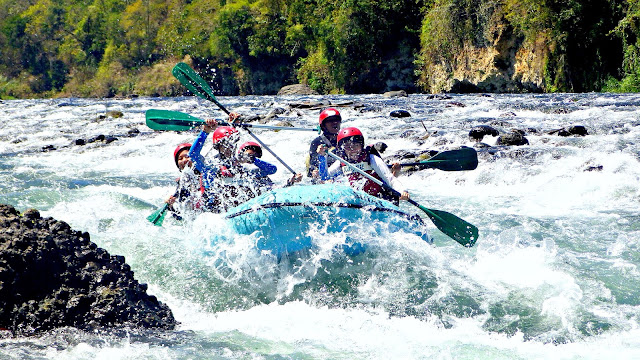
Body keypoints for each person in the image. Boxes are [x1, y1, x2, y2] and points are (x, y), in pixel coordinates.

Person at [188, 117, 279, 212]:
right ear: (218, 146)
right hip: (216, 211)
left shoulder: (241, 167)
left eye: (232, 143)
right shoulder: (211, 167)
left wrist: (253, 160)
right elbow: (193, 155)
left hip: (240, 209)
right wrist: (205, 132)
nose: (230, 147)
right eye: (225, 144)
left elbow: (272, 170)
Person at [313, 127, 410, 204]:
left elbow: (390, 179)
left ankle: (396, 172)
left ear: (361, 145)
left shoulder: (371, 158)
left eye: (356, 145)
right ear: (342, 149)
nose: (353, 150)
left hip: (379, 198)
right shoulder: (341, 161)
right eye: (348, 146)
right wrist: (322, 157)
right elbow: (325, 178)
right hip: (358, 200)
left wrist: (402, 191)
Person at [164, 143, 207, 219]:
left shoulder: (208, 174)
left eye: (187, 156)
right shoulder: (182, 184)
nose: (184, 160)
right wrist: (170, 206)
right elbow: (180, 217)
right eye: (180, 158)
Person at [307, 108, 342, 178]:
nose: (335, 123)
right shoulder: (317, 142)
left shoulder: (344, 139)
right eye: (330, 121)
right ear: (323, 126)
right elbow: (314, 162)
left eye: (336, 120)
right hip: (325, 174)